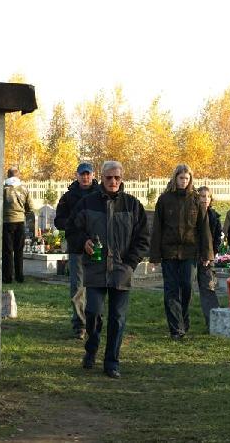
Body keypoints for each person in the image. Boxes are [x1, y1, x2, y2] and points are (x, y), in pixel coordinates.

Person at [67, 161, 149, 379]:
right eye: (109, 177)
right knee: (93, 312)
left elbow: (142, 238)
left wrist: (130, 264)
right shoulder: (87, 203)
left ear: (122, 179)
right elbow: (72, 230)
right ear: (101, 178)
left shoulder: (132, 205)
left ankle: (112, 362)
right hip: (95, 268)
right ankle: (91, 348)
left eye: (117, 178)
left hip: (122, 270)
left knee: (117, 318)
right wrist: (83, 241)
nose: (113, 181)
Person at [149, 165, 213, 340]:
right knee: (171, 290)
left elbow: (204, 228)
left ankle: (183, 320)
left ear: (190, 179)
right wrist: (154, 256)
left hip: (190, 252)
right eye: (181, 178)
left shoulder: (196, 200)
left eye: (186, 178)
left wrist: (207, 254)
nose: (184, 181)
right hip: (169, 251)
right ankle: (176, 329)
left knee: (186, 287)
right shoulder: (164, 200)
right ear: (175, 178)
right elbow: (157, 229)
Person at [54, 162, 99, 339]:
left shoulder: (100, 194)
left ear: (93, 175)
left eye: (88, 174)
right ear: (77, 176)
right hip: (76, 247)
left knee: (97, 285)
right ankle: (80, 324)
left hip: (97, 245)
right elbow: (59, 220)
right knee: (78, 287)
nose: (85, 177)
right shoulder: (68, 197)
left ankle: (94, 321)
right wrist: (74, 224)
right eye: (82, 174)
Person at [196, 186, 222, 331]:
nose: (205, 199)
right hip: (193, 255)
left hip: (208, 258)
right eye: (202, 196)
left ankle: (213, 323)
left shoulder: (214, 216)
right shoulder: (192, 214)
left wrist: (211, 255)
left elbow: (217, 239)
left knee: (209, 289)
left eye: (207, 196)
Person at [2, 167, 32, 284]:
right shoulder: (24, 188)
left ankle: (7, 277)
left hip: (7, 222)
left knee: (7, 251)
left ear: (8, 175)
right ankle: (19, 276)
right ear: (18, 175)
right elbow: (30, 206)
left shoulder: (4, 188)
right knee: (19, 250)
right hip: (20, 221)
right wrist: (23, 214)